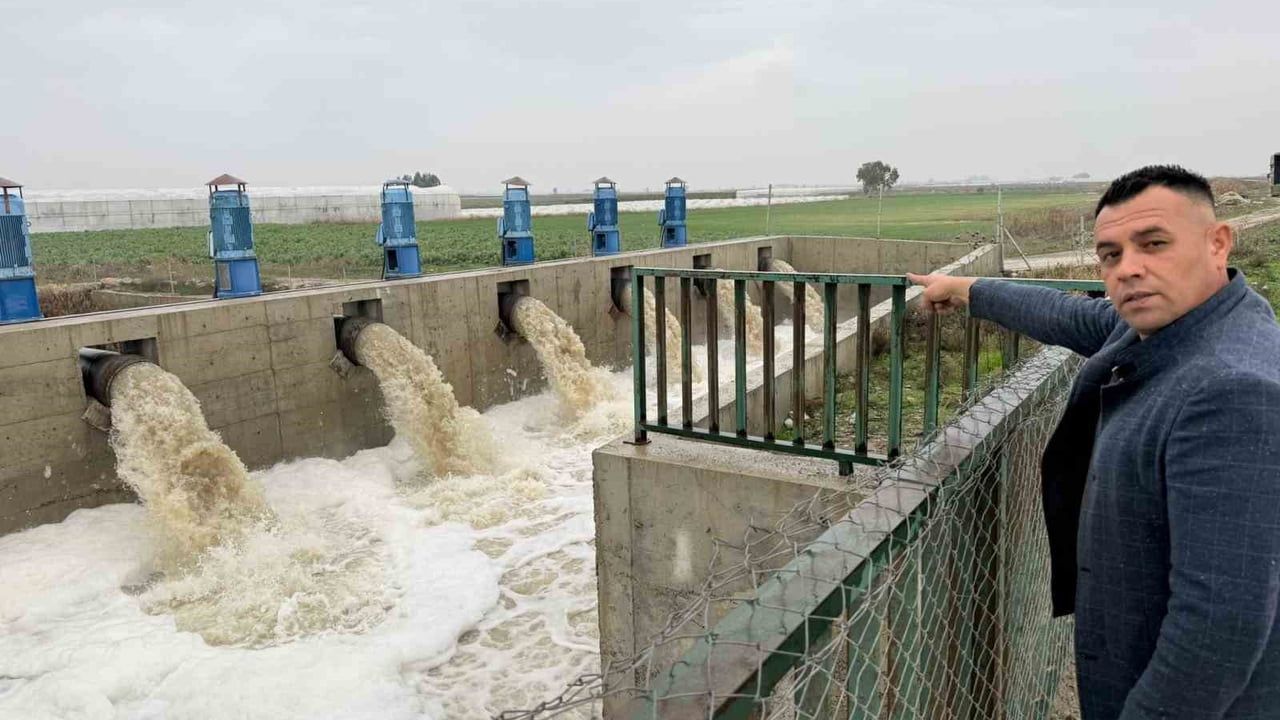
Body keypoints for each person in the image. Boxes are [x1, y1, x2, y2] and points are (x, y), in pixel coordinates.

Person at [907, 165, 1280, 719]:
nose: (1129, 269)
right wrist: (968, 290)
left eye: (1153, 244)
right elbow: (1070, 315)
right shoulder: (1187, 321)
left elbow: (1216, 628)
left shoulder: (1231, 390)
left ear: (1217, 243)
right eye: (1111, 254)